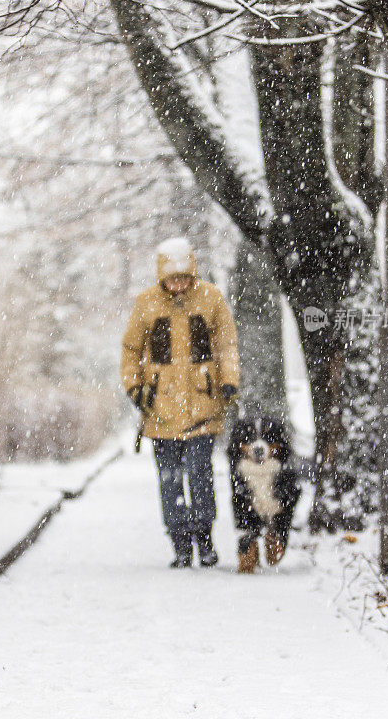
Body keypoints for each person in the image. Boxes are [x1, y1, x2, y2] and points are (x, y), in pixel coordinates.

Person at [121, 237, 239, 568]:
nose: (179, 284)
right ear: (162, 276)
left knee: (200, 476)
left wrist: (229, 380)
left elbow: (226, 343)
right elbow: (130, 350)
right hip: (160, 409)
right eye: (173, 278)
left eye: (185, 277)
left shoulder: (211, 298)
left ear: (193, 273)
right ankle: (180, 544)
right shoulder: (146, 303)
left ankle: (204, 536)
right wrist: (135, 388)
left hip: (204, 404)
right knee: (170, 479)